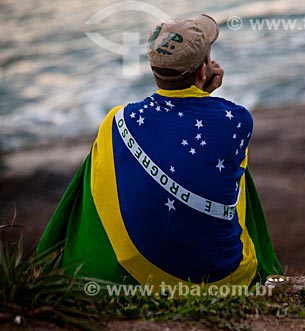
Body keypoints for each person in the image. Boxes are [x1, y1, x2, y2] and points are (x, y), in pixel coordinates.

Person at [37, 14, 282, 288]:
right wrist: (206, 95)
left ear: (154, 70)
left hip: (135, 269)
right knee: (231, 169)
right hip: (221, 280)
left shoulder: (117, 120)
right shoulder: (237, 120)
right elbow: (205, 143)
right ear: (204, 71)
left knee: (105, 161)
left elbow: (179, 132)